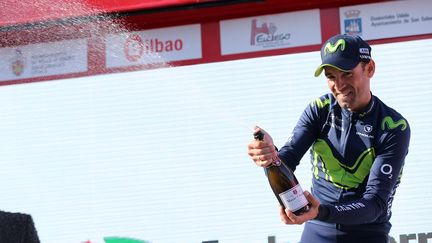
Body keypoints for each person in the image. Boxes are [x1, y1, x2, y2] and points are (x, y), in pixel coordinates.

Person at [247, 34, 410, 243]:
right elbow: (286, 161)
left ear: (370, 69)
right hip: (317, 230)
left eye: (347, 74)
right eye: (331, 76)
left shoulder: (393, 126)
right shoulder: (319, 110)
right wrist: (269, 156)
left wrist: (321, 211)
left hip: (368, 234)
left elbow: (375, 204)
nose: (339, 85)